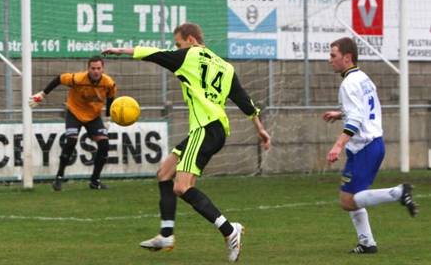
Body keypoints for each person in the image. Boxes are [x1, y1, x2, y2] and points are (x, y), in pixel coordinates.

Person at [102, 23, 270, 262]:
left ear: (190, 40)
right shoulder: (225, 66)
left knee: (181, 187)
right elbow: (245, 101)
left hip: (205, 128)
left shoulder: (188, 56)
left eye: (178, 43)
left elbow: (154, 54)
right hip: (214, 129)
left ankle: (230, 230)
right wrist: (260, 129)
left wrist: (120, 51)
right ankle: (167, 234)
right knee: (164, 172)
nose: (177, 48)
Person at [323, 37, 418, 254]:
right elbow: (364, 110)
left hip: (365, 147)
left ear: (347, 58)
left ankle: (398, 192)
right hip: (370, 144)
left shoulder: (348, 84)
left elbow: (356, 120)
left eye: (333, 56)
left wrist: (338, 145)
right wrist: (340, 114)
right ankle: (366, 242)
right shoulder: (363, 78)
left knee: (348, 201)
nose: (330, 60)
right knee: (353, 195)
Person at [29, 56, 117, 191]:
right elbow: (59, 79)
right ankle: (59, 177)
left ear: (103, 69)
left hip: (93, 116)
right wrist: (42, 94)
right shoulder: (77, 78)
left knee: (104, 144)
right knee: (71, 141)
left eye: (98, 68)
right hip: (74, 112)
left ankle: (95, 181)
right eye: (93, 68)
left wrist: (107, 118)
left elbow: (111, 97)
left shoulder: (109, 83)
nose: (96, 71)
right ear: (88, 69)